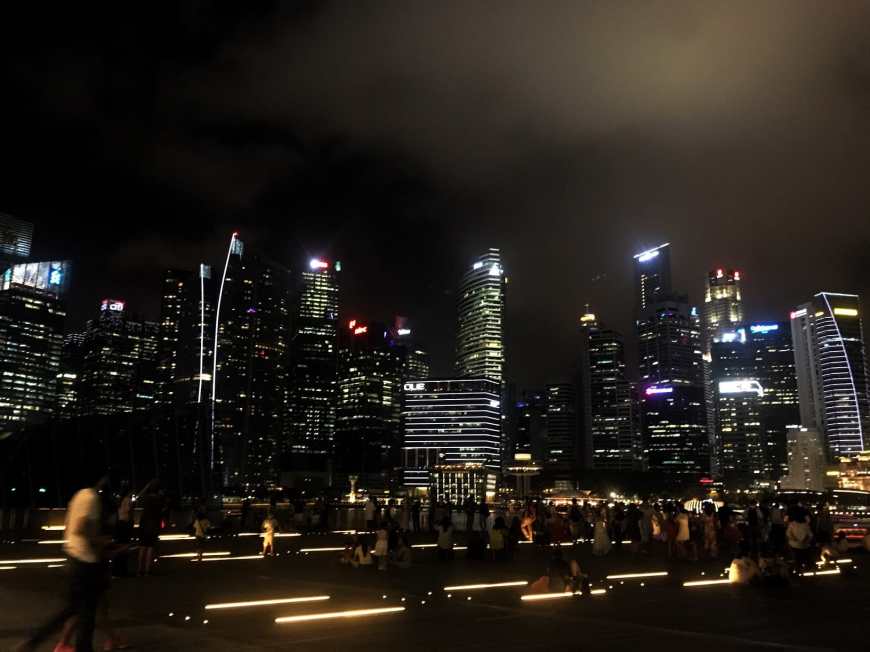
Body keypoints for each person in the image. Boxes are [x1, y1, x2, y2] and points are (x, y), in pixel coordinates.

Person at [18, 477, 111, 652]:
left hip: (74, 557)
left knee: (73, 611)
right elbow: (80, 527)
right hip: (85, 562)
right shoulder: (91, 498)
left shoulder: (79, 496)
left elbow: (70, 526)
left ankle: (34, 641)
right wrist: (100, 541)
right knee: (85, 615)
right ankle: (35, 641)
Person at [136, 480, 163, 576]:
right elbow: (161, 511)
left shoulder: (146, 498)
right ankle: (147, 570)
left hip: (144, 524)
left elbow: (138, 497)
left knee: (142, 547)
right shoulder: (159, 499)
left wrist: (146, 486)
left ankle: (139, 569)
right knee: (150, 548)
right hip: (153, 524)